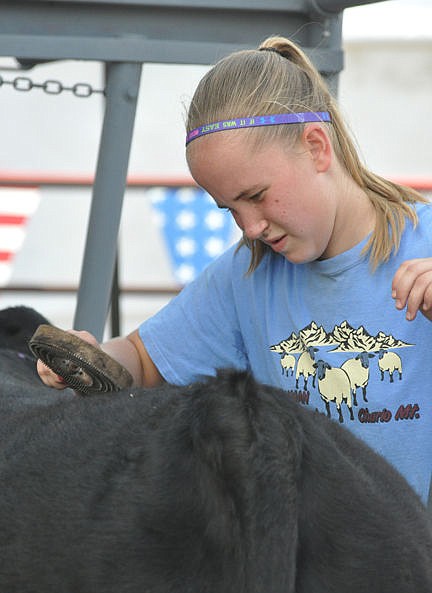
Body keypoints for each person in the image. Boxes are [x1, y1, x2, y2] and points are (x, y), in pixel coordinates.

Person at [38, 36, 432, 504]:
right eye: (230, 209)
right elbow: (143, 361)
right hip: (307, 560)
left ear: (316, 147)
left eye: (256, 195)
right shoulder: (246, 275)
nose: (250, 228)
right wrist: (95, 358)